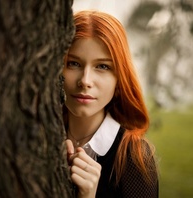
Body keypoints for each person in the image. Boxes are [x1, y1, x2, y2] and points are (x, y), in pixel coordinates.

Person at [62, 10, 159, 198]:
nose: (85, 80)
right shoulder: (38, 137)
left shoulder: (135, 158)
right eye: (73, 63)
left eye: (102, 66)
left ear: (119, 78)